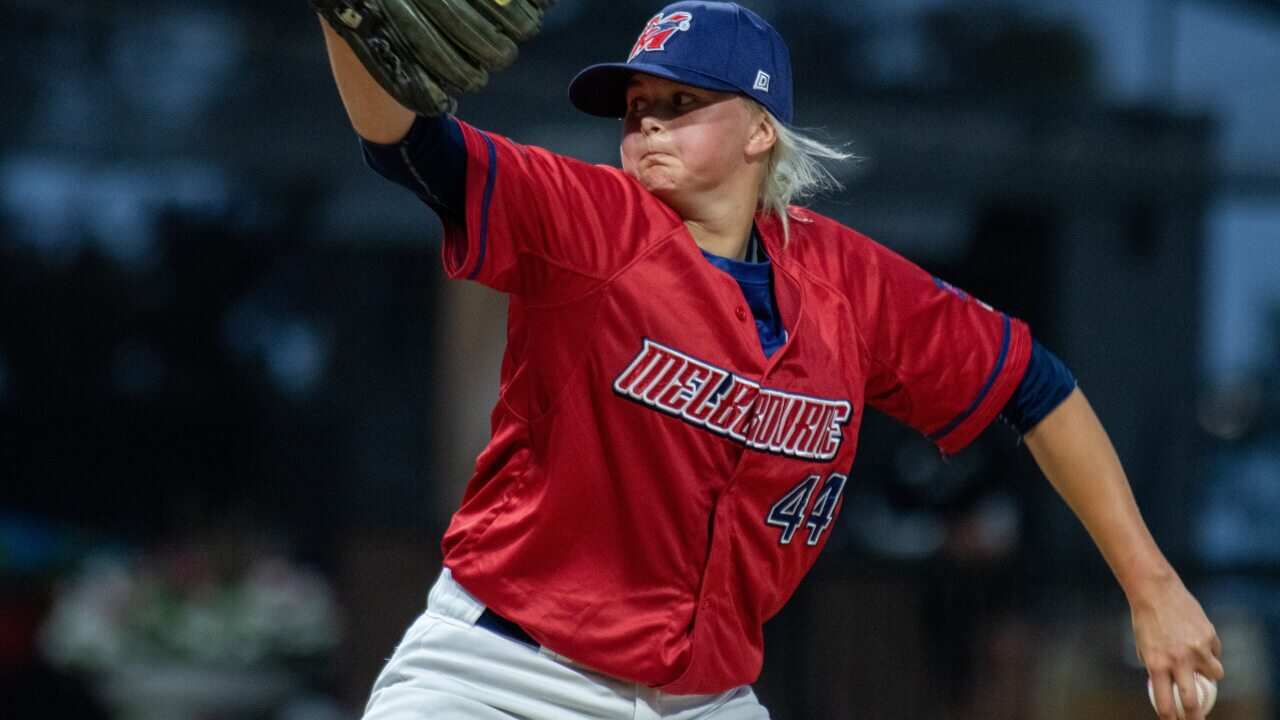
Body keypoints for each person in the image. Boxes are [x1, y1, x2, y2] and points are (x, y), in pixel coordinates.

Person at [316, 2, 1225, 718]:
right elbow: (407, 146)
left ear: (760, 131)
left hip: (703, 701)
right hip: (502, 675)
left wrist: (1154, 589)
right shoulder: (591, 223)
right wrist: (347, 21)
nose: (647, 129)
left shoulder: (848, 285)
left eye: (679, 104)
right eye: (635, 111)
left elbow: (1036, 387)